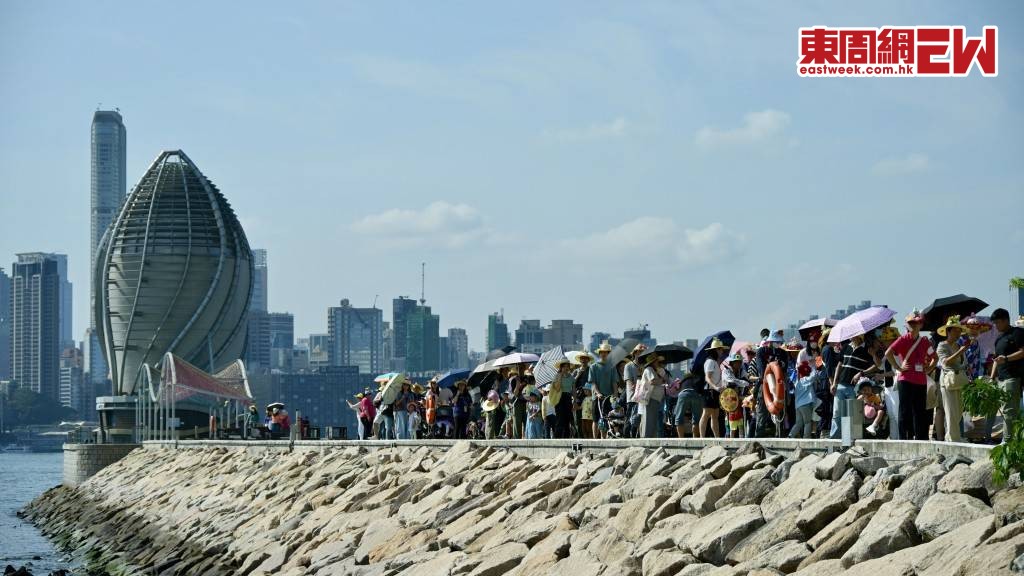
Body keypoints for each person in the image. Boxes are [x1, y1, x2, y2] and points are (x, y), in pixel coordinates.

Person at [885, 309, 937, 441]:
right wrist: (898, 367)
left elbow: (934, 358)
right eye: (912, 323)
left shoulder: (925, 341)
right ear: (908, 324)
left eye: (917, 322)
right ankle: (904, 438)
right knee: (904, 411)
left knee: (920, 411)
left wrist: (929, 368)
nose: (914, 325)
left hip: (921, 380)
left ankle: (921, 438)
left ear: (921, 324)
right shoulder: (903, 339)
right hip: (905, 379)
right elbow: (888, 353)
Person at [832, 333, 878, 439]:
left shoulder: (867, 348)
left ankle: (849, 440)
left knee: (852, 414)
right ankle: (834, 439)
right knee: (837, 413)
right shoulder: (846, 346)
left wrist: (861, 373)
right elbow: (839, 364)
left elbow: (876, 366)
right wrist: (834, 383)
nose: (851, 336)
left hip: (855, 387)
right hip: (841, 385)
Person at [991, 308, 1024, 441]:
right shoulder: (999, 338)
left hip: (1013, 377)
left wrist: (1006, 358)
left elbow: (1023, 352)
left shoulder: (1017, 333)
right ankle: (1011, 439)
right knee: (1005, 410)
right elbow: (996, 360)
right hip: (1001, 378)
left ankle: (1007, 440)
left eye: (998, 322)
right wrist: (992, 377)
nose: (996, 326)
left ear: (1005, 320)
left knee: (1009, 411)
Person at [936, 315, 970, 442]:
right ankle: (952, 439)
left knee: (959, 411)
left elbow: (963, 363)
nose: (958, 333)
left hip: (960, 380)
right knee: (950, 411)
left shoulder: (958, 345)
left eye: (959, 331)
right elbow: (945, 362)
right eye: (955, 330)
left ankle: (954, 437)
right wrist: (960, 352)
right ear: (948, 331)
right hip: (948, 381)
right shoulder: (942, 345)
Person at [700, 337, 730, 438]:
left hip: (714, 390)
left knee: (715, 415)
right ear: (716, 350)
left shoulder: (714, 362)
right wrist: (716, 387)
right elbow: (707, 378)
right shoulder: (710, 362)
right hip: (709, 390)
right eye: (720, 349)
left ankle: (717, 438)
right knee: (706, 414)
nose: (722, 351)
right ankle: (702, 438)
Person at [589, 341, 618, 438]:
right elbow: (593, 383)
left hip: (608, 397)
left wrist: (615, 395)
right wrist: (597, 393)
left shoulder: (612, 367)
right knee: (596, 419)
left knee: (608, 418)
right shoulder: (593, 367)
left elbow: (614, 382)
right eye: (602, 352)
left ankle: (604, 438)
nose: (604, 354)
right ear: (599, 353)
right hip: (597, 398)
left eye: (606, 352)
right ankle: (594, 439)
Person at [790, 361, 825, 438]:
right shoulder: (805, 380)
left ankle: (790, 436)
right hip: (805, 405)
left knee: (798, 423)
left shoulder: (797, 382)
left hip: (798, 406)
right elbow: (814, 376)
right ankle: (806, 438)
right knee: (807, 422)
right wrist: (814, 365)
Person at [636, 354, 668, 438]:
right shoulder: (649, 369)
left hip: (654, 399)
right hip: (650, 398)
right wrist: (663, 380)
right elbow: (653, 381)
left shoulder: (655, 370)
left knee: (652, 419)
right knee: (648, 419)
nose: (659, 362)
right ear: (654, 362)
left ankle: (650, 437)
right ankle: (646, 438)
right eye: (658, 361)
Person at [622, 344, 646, 438]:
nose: (641, 354)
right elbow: (629, 383)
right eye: (639, 352)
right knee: (630, 418)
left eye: (643, 353)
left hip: (643, 396)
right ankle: (626, 437)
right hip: (632, 397)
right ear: (635, 353)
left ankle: (638, 437)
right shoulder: (628, 366)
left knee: (639, 419)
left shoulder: (645, 367)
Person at [674, 372, 704, 438]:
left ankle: (681, 438)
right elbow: (702, 391)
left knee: (679, 418)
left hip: (683, 394)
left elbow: (677, 388)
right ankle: (695, 438)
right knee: (696, 419)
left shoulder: (683, 379)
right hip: (695, 394)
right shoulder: (698, 378)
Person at [550, 358, 575, 439]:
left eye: (567, 366)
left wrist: (575, 401)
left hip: (568, 398)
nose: (566, 368)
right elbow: (557, 388)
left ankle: (566, 438)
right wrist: (560, 376)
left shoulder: (571, 377)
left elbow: (573, 390)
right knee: (560, 420)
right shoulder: (556, 376)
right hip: (559, 399)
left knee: (568, 419)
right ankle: (557, 438)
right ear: (561, 367)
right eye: (564, 366)